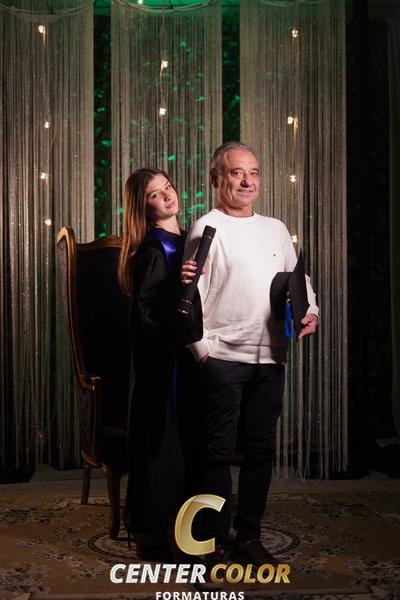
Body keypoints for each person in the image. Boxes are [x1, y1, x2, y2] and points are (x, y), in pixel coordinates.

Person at [181, 141, 319, 569]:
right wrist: (202, 352)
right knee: (216, 453)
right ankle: (212, 539)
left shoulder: (275, 229)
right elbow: (189, 297)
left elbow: (297, 280)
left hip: (271, 357)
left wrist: (311, 311)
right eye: (237, 172)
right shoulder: (206, 227)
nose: (247, 181)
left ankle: (249, 536)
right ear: (216, 178)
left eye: (253, 172)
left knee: (260, 451)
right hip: (222, 358)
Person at [118, 167, 198, 561]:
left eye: (167, 187)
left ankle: (183, 523)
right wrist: (176, 288)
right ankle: (153, 530)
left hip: (187, 360)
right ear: (143, 208)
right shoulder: (155, 249)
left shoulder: (187, 240)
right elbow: (146, 320)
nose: (167, 195)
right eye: (155, 194)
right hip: (163, 367)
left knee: (186, 444)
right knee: (163, 445)